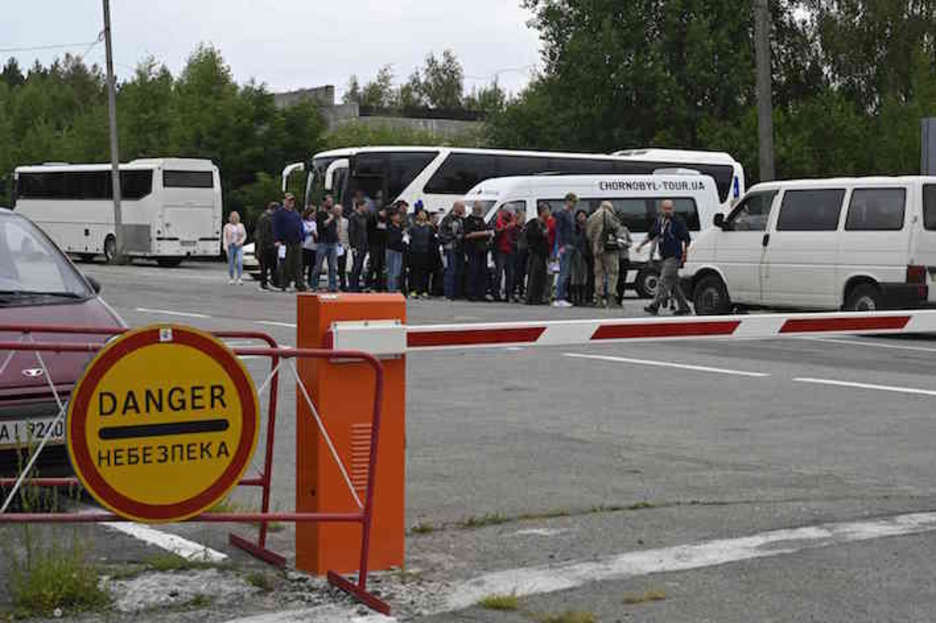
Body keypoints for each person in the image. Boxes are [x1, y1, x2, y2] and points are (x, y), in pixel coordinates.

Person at [639, 199, 692, 316]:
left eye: (670, 208)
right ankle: (685, 308)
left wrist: (685, 253)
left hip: (674, 256)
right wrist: (640, 245)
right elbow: (651, 235)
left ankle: (654, 305)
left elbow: (687, 238)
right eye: (666, 209)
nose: (668, 211)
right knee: (674, 284)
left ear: (673, 209)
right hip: (664, 256)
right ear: (661, 209)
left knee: (663, 280)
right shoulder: (659, 221)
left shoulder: (678, 221)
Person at [587, 200, 629, 307]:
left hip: (597, 250)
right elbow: (617, 230)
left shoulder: (592, 218)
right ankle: (611, 300)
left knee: (599, 275)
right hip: (609, 250)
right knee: (612, 274)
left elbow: (588, 235)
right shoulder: (609, 215)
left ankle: (599, 300)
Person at [273, 193, 305, 292]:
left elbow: (300, 226)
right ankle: (284, 283)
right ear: (284, 201)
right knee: (285, 264)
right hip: (284, 241)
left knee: (298, 264)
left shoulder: (296, 213)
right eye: (288, 200)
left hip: (296, 241)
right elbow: (275, 227)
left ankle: (299, 284)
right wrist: (277, 240)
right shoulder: (279, 213)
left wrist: (302, 238)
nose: (291, 202)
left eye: (292, 201)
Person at [463, 201, 494, 301]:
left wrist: (489, 235)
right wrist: (483, 233)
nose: (481, 211)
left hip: (483, 249)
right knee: (473, 271)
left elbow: (488, 230)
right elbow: (467, 235)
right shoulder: (468, 220)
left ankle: (482, 293)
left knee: (483, 271)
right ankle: (471, 293)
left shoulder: (481, 220)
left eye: (481, 209)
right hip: (472, 249)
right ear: (474, 209)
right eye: (479, 209)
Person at [552, 193, 577, 307]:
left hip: (570, 246)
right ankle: (559, 298)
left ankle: (561, 296)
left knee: (566, 273)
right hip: (565, 246)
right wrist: (561, 246)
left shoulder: (570, 214)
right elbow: (559, 231)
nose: (575, 204)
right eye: (573, 202)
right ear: (568, 201)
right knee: (563, 273)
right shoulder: (561, 214)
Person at [524, 203, 551, 305]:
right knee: (534, 276)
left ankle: (539, 297)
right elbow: (530, 236)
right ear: (542, 212)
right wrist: (542, 234)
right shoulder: (534, 223)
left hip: (543, 254)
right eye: (547, 210)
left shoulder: (544, 223)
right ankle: (531, 298)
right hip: (535, 253)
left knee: (541, 276)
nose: (548, 213)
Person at [439, 202, 466, 300]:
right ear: (455, 208)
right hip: (450, 248)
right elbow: (441, 233)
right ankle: (448, 294)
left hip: (460, 248)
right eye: (461, 207)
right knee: (451, 270)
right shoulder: (447, 219)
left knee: (459, 271)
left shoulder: (462, 220)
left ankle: (457, 293)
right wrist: (452, 238)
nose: (463, 209)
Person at [313, 199, 339, 292]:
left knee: (333, 266)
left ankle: (332, 286)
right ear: (324, 203)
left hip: (333, 242)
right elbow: (323, 225)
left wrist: (337, 237)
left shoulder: (332, 214)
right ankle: (315, 285)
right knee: (318, 266)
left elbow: (335, 227)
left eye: (331, 202)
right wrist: (330, 218)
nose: (330, 204)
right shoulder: (320, 214)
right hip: (323, 242)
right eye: (328, 202)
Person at [366, 202, 393, 291]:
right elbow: (368, 229)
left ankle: (379, 286)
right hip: (374, 244)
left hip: (383, 245)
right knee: (373, 265)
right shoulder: (374, 217)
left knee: (380, 266)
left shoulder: (387, 220)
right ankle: (368, 285)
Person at [493, 207, 518, 302]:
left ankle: (509, 294)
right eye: (508, 214)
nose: (509, 216)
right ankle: (496, 293)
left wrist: (514, 227)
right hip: (499, 250)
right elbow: (494, 234)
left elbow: (516, 236)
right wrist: (504, 228)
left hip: (509, 250)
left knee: (510, 273)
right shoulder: (497, 221)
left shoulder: (512, 222)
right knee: (498, 272)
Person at [407, 209, 433, 298]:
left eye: (424, 214)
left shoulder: (429, 227)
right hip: (415, 251)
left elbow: (432, 237)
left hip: (425, 251)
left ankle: (424, 290)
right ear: (417, 216)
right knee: (414, 271)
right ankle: (413, 290)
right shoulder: (413, 226)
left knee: (425, 271)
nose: (422, 215)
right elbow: (408, 237)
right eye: (420, 214)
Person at [254, 202, 278, 290]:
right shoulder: (265, 218)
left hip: (267, 245)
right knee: (265, 266)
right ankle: (264, 283)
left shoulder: (267, 217)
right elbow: (264, 234)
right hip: (265, 246)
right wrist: (272, 243)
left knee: (271, 266)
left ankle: (271, 282)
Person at [570, 209, 591, 306]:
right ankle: (575, 297)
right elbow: (575, 240)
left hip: (586, 254)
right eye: (579, 216)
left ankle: (583, 298)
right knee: (575, 275)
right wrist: (582, 231)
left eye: (583, 216)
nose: (581, 218)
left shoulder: (589, 227)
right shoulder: (574, 228)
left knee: (584, 276)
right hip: (576, 253)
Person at [348, 198, 369, 292]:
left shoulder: (365, 217)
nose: (366, 208)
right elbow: (351, 232)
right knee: (356, 266)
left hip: (364, 245)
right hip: (357, 245)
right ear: (360, 206)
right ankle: (352, 286)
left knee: (360, 266)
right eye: (365, 206)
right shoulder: (353, 217)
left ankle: (356, 284)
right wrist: (353, 245)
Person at [223, 211, 247, 285]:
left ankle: (239, 278)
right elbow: (224, 237)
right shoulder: (227, 226)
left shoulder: (241, 225)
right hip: (230, 246)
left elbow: (244, 235)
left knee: (239, 262)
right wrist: (225, 246)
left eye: (235, 217)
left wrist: (241, 242)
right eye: (232, 217)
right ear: (230, 218)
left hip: (239, 246)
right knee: (231, 263)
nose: (234, 219)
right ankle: (231, 278)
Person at [385, 209, 406, 293]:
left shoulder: (400, 227)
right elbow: (391, 240)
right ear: (392, 217)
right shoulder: (390, 227)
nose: (399, 217)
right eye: (397, 215)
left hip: (400, 250)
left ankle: (396, 288)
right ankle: (391, 289)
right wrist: (401, 235)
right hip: (392, 250)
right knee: (391, 271)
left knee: (397, 271)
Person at [428, 211, 445, 297]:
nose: (437, 220)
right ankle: (429, 289)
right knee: (430, 272)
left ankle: (436, 289)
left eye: (438, 218)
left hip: (437, 251)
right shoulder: (428, 228)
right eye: (436, 218)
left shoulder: (437, 228)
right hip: (429, 252)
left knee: (438, 271)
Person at [301, 207, 318, 288]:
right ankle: (301, 281)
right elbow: (303, 231)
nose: (313, 216)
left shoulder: (315, 223)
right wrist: (311, 232)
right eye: (311, 214)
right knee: (303, 265)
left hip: (314, 246)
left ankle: (310, 281)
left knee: (312, 266)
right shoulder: (303, 222)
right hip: (305, 246)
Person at [336, 205, 350, 291]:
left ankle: (343, 284)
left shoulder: (346, 221)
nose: (337, 212)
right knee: (333, 266)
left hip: (343, 245)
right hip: (334, 245)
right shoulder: (332, 220)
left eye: (339, 210)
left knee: (342, 266)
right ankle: (333, 284)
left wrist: (348, 244)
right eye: (336, 210)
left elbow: (348, 233)